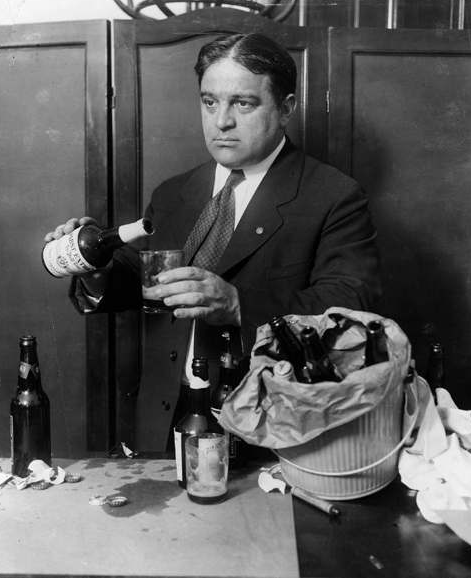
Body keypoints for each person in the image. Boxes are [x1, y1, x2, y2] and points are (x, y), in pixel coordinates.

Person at [44, 33, 382, 452]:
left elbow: (351, 308)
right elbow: (139, 281)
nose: (221, 121)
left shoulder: (334, 196)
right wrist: (99, 267)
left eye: (243, 103)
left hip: (266, 427)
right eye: (209, 102)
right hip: (161, 422)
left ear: (286, 109)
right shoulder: (173, 192)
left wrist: (239, 304)